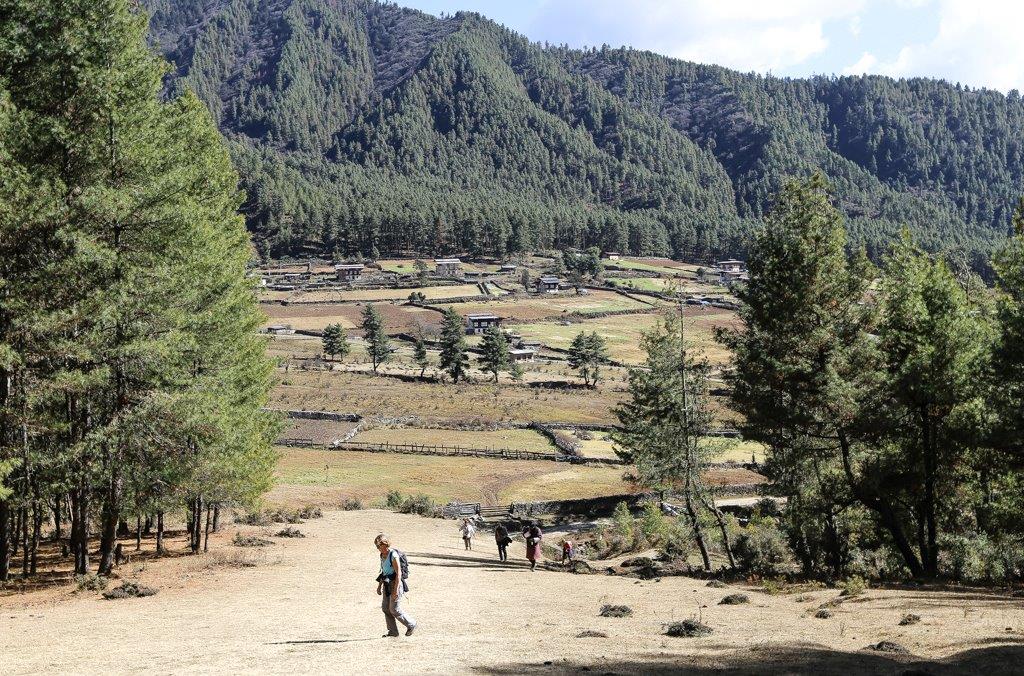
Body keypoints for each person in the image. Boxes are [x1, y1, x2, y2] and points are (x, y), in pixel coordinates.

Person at [374, 533, 417, 638]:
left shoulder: (393, 555)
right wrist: (379, 586)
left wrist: (395, 591)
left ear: (386, 544)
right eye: (377, 546)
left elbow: (399, 574)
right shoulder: (382, 555)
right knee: (385, 608)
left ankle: (411, 624)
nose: (378, 548)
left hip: (395, 584)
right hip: (387, 584)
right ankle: (393, 632)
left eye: (380, 545)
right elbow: (384, 572)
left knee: (394, 609)